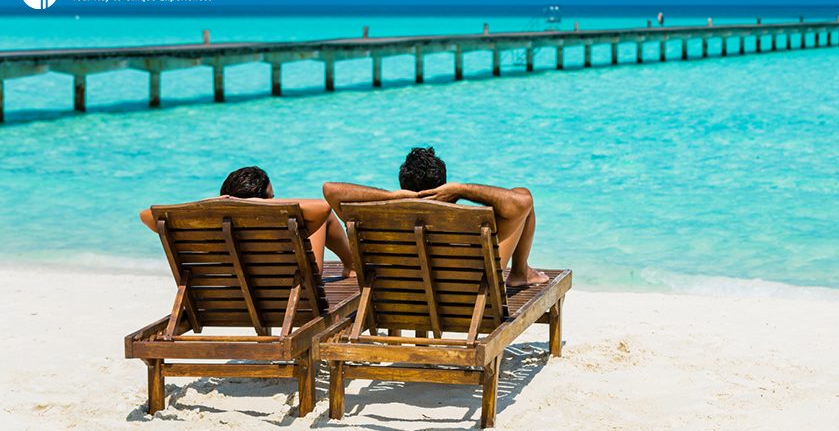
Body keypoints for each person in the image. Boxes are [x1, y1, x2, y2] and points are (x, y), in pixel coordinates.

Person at [322, 147, 549, 287]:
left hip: (402, 297)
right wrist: (462, 189)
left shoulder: (378, 219)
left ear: (403, 185)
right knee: (523, 195)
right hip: (468, 297)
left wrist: (392, 197)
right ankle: (520, 273)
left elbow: (330, 189)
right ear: (445, 185)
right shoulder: (464, 221)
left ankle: (521, 272)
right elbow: (523, 202)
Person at [137, 166, 355, 277]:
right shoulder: (273, 223)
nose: (274, 200)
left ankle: (350, 264)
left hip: (235, 291)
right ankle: (351, 265)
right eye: (271, 197)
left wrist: (210, 203)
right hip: (292, 288)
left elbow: (145, 215)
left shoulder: (209, 229)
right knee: (322, 218)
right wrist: (263, 205)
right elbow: (323, 206)